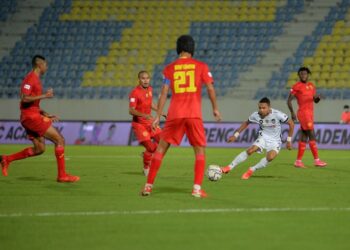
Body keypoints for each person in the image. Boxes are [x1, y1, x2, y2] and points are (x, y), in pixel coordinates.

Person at [141, 35, 222, 198]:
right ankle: (197, 189)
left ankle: (148, 186)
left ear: (178, 49)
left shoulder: (169, 68)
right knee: (199, 151)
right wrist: (215, 109)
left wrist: (157, 115)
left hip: (174, 114)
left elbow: (164, 92)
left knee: (161, 149)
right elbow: (210, 88)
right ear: (192, 48)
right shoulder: (201, 66)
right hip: (193, 115)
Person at [0, 55, 79, 182]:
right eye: (45, 65)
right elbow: (24, 98)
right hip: (31, 118)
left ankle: (7, 159)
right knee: (60, 140)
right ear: (39, 65)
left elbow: (33, 104)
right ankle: (62, 176)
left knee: (39, 149)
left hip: (32, 116)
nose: (46, 67)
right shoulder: (30, 79)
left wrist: (45, 114)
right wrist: (44, 96)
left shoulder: (36, 79)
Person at [221, 97, 294, 179]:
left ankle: (252, 169)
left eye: (264, 108)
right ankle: (229, 167)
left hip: (275, 141)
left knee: (270, 157)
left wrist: (288, 140)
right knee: (251, 150)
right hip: (263, 136)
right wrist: (235, 135)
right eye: (260, 108)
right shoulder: (256, 115)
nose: (261, 110)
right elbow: (246, 122)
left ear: (269, 107)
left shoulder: (277, 114)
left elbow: (291, 123)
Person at [287, 66, 327, 168]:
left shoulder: (311, 86)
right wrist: (292, 113)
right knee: (311, 134)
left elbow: (315, 101)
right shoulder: (296, 86)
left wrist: (318, 98)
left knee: (304, 135)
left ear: (308, 75)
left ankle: (298, 161)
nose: (303, 75)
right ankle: (317, 160)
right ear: (299, 75)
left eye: (305, 74)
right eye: (301, 74)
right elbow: (289, 100)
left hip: (310, 113)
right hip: (303, 113)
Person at [129, 71, 164, 176]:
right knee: (151, 148)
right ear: (139, 79)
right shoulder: (134, 93)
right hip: (139, 125)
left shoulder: (150, 89)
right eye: (143, 78)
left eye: (147, 78)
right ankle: (146, 167)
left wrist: (160, 112)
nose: (146, 80)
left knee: (163, 141)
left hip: (150, 122)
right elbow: (131, 110)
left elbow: (150, 104)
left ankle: (146, 154)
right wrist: (144, 115)